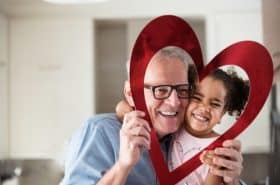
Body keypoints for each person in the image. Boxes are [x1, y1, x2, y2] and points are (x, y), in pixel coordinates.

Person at [62, 46, 245, 185]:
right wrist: (123, 165)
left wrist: (232, 180)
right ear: (130, 93)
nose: (174, 102)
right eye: (161, 89)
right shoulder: (100, 131)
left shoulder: (182, 135)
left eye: (182, 90)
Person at [168, 68, 249, 185]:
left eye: (215, 104)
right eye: (197, 98)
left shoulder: (221, 148)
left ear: (222, 114)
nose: (204, 108)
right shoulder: (175, 126)